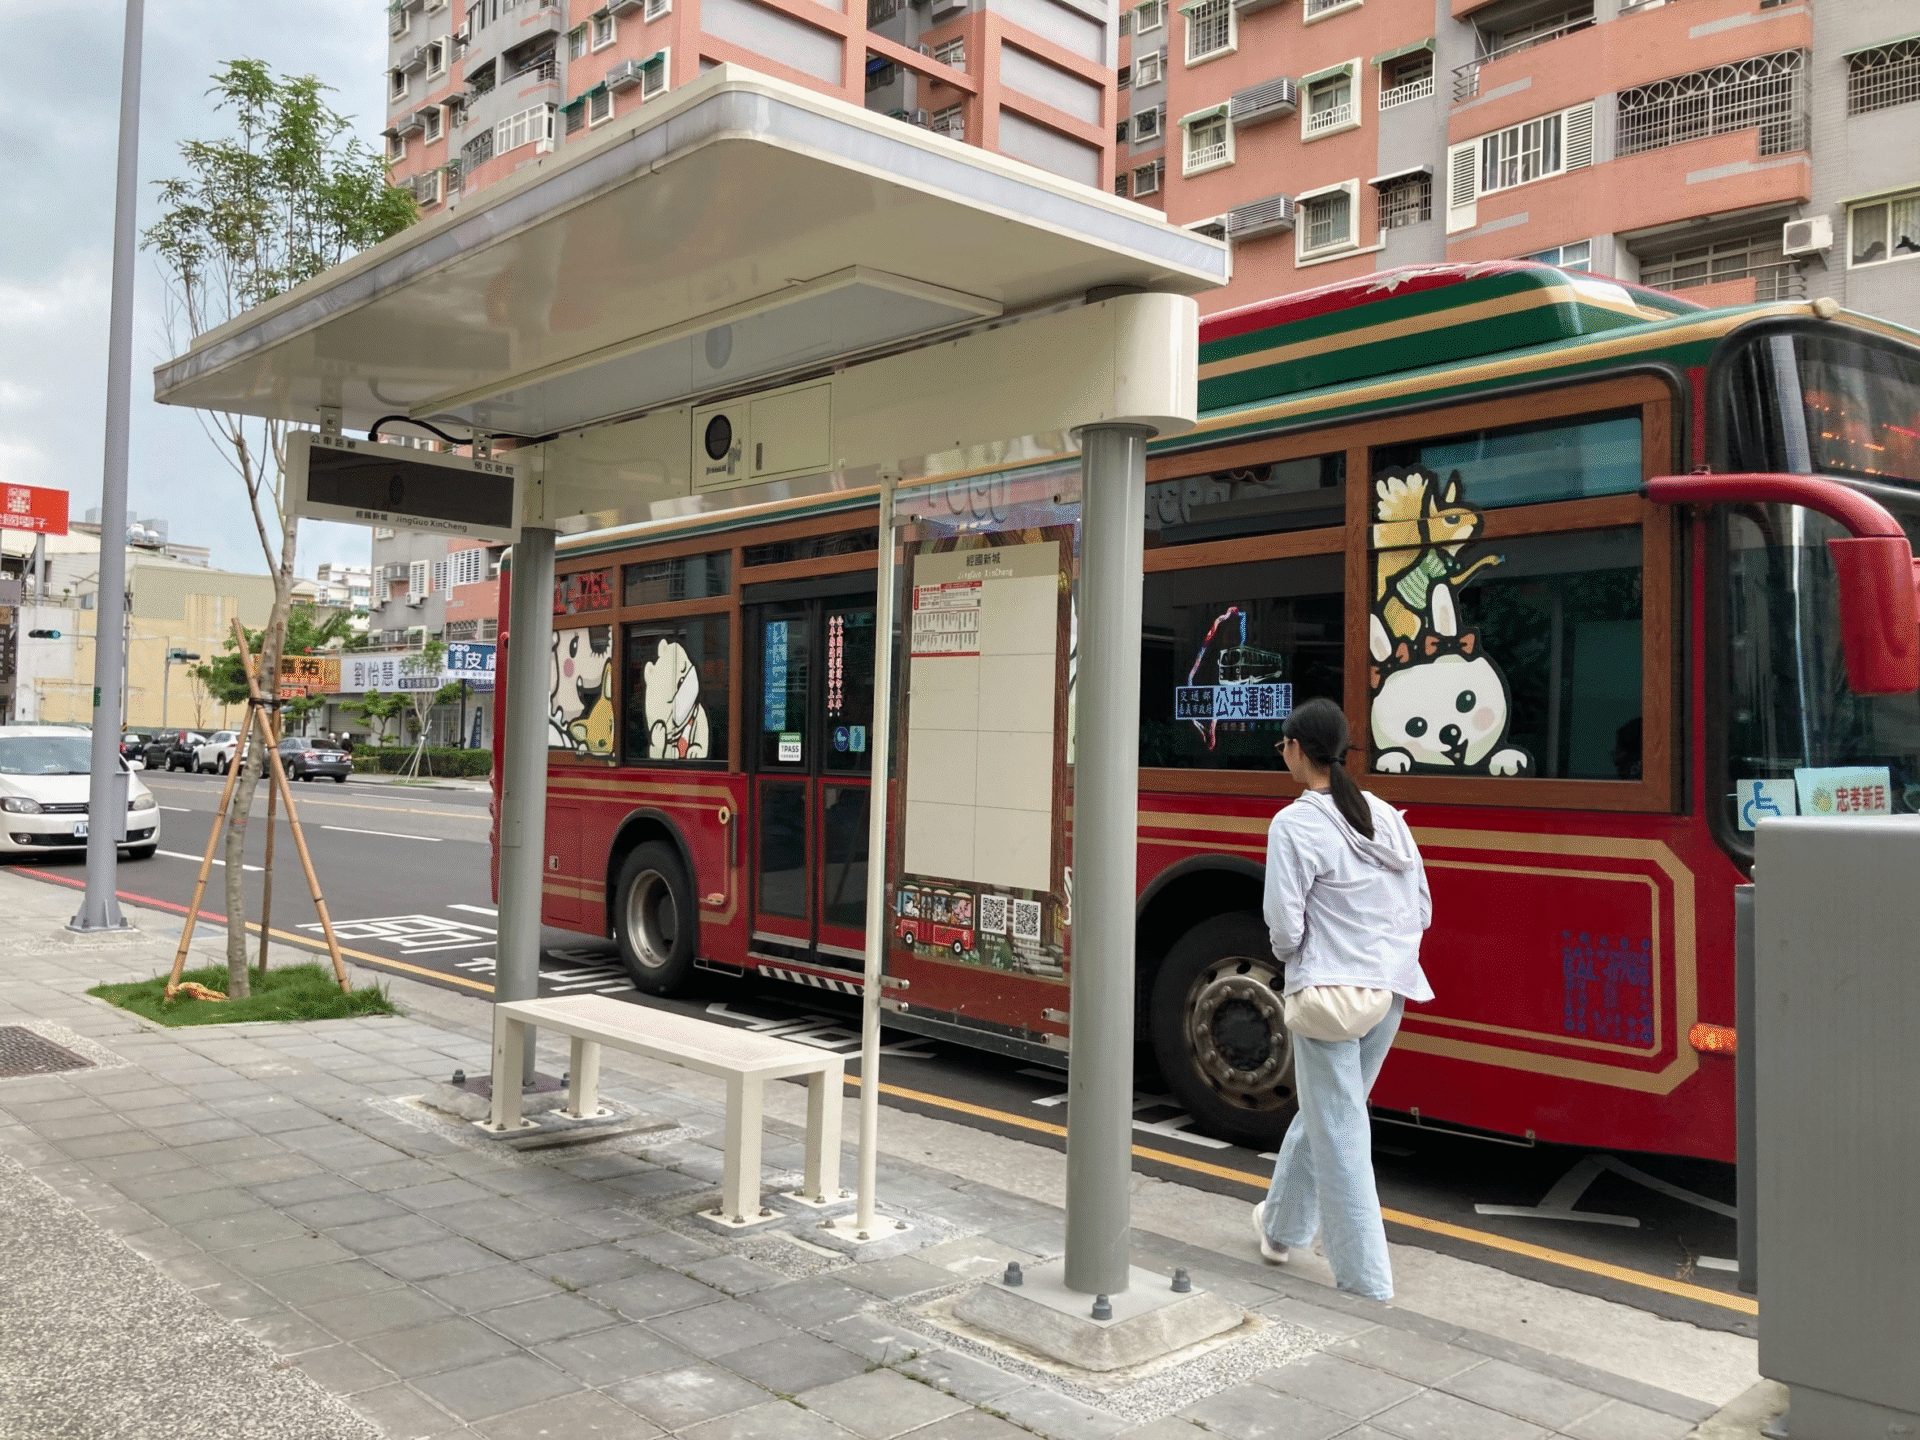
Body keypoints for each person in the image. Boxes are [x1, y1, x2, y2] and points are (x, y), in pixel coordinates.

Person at [1252, 697, 1432, 1301]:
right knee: (1330, 1115)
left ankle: (1366, 1279)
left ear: (1298, 748)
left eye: (1283, 745)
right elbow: (1423, 907)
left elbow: (1283, 923)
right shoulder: (1387, 816)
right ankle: (1280, 1229)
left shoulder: (1295, 824)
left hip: (1330, 994)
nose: (1282, 754)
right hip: (1392, 987)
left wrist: (1299, 955)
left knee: (1341, 1128)